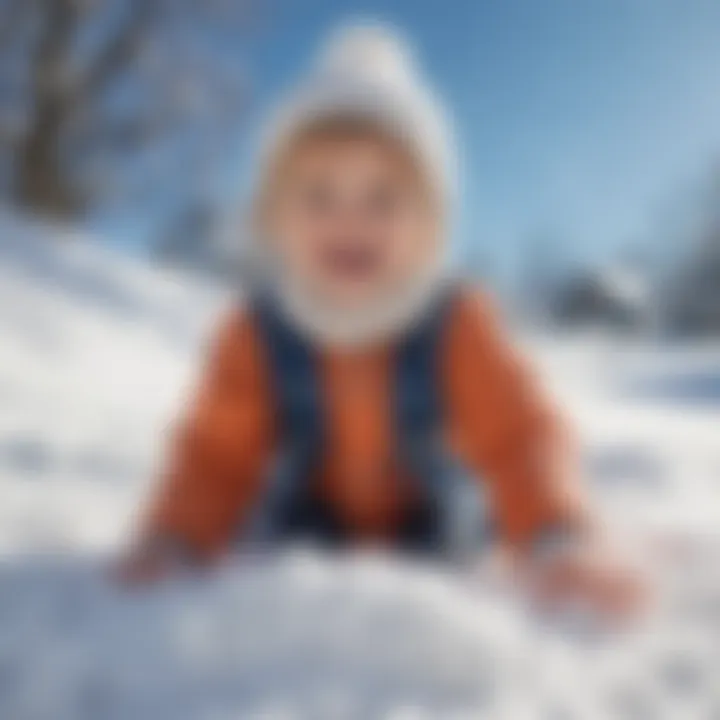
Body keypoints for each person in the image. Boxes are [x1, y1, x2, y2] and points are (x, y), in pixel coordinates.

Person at [120, 25, 642, 616]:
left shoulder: (456, 320)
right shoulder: (257, 331)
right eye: (318, 196)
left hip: (434, 530)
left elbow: (519, 437)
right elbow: (216, 455)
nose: (350, 221)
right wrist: (177, 539)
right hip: (306, 531)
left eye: (382, 200)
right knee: (269, 545)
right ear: (275, 219)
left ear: (429, 226)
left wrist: (556, 535)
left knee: (462, 530)